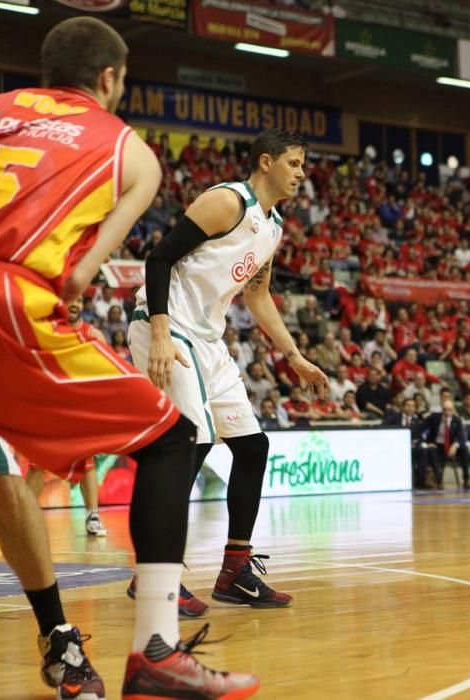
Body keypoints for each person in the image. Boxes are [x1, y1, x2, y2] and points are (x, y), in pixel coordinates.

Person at [0, 16, 257, 698]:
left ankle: (60, 643)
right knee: (172, 438)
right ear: (109, 79)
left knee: (6, 476)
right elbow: (83, 277)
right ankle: (154, 651)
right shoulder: (131, 152)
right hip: (12, 304)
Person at [128, 127, 329, 613]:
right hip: (166, 326)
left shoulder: (273, 226)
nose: (302, 173)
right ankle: (156, 576)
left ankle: (235, 571)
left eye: (304, 165)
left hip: (207, 339)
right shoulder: (226, 202)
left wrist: (294, 355)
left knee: (253, 447)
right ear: (266, 162)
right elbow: (159, 258)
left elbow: (258, 298)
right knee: (187, 447)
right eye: (294, 163)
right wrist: (158, 332)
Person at [25, 299, 108, 536]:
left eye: (79, 300)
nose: (74, 304)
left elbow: (105, 375)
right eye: (70, 300)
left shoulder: (94, 335)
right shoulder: (47, 332)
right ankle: (25, 517)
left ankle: (93, 516)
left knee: (87, 463)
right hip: (50, 405)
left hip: (81, 407)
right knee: (38, 463)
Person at [421, 399, 470, 490]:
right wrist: (427, 443)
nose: (447, 412)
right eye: (445, 409)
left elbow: (462, 437)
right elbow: (422, 428)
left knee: (464, 449)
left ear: (453, 410)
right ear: (442, 409)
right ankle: (438, 480)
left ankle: (466, 479)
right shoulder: (434, 418)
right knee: (431, 450)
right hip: (438, 445)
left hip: (451, 446)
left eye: (449, 410)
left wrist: (455, 445)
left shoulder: (457, 420)